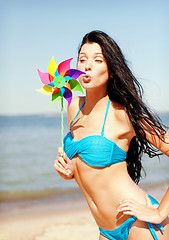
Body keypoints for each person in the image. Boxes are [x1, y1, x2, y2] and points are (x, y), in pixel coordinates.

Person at [54, 30, 169, 240]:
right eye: (82, 59)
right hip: (105, 230)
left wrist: (160, 211)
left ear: (112, 71)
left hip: (139, 225)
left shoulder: (123, 114)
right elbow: (89, 167)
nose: (87, 65)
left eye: (97, 60)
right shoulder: (72, 107)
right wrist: (69, 170)